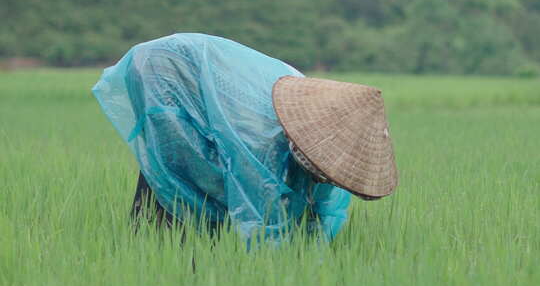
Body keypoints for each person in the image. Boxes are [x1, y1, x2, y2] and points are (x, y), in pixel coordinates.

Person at [92, 33, 398, 242]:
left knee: (203, 183)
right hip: (165, 67)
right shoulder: (261, 137)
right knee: (181, 170)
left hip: (214, 81)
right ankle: (154, 237)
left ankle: (175, 240)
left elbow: (321, 209)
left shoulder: (328, 140)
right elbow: (255, 210)